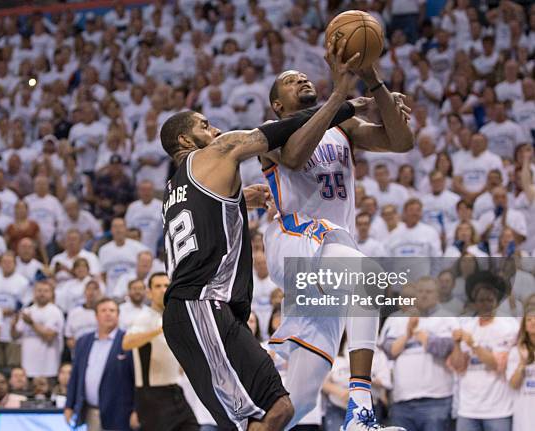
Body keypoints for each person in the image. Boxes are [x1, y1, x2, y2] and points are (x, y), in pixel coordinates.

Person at [158, 64, 363, 427]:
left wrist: (248, 197)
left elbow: (213, 211)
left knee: (276, 411)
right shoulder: (214, 153)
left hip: (200, 310)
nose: (216, 130)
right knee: (265, 416)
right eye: (205, 126)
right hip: (201, 305)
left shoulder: (175, 189)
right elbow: (274, 133)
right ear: (186, 142)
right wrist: (343, 102)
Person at [261, 43, 412, 430]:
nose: (302, 79)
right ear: (278, 106)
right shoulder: (269, 134)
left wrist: (372, 79)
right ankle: (361, 409)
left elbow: (400, 142)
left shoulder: (343, 126)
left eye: (304, 76)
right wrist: (342, 96)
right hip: (293, 240)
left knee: (299, 398)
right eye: (291, 82)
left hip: (331, 255)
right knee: (364, 276)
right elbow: (294, 156)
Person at [122, 272, 199, 430]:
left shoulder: (170, 317)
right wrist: (158, 330)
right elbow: (127, 343)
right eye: (158, 286)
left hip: (174, 391)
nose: (163, 290)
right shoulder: (144, 317)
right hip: (152, 395)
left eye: (166, 286)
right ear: (149, 293)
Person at [380, 277, 458, 430]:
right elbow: (389, 351)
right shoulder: (396, 319)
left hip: (436, 400)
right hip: (402, 400)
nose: (423, 295)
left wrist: (425, 338)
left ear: (438, 295)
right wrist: (408, 334)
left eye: (429, 292)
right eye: (420, 291)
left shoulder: (447, 318)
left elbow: (447, 347)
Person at [449, 272, 519, 431]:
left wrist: (473, 344)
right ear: (475, 303)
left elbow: (498, 365)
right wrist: (457, 344)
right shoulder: (467, 326)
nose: (485, 304)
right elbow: (458, 366)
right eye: (481, 300)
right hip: (467, 408)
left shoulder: (509, 326)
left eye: (490, 300)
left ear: (497, 302)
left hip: (498, 410)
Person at [65, 298, 135, 431]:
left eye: (112, 310)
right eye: (103, 310)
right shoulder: (83, 341)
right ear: (96, 316)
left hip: (120, 413)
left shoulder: (128, 341)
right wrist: (69, 405)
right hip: (92, 411)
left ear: (118, 315)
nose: (108, 314)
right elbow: (75, 376)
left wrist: (137, 410)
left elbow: (137, 379)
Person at [11, 280, 64, 379]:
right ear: (34, 293)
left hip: (48, 368)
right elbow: (15, 336)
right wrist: (12, 325)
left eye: (45, 291)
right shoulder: (27, 311)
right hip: (27, 368)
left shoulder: (55, 312)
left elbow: (49, 337)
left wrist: (31, 323)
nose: (42, 294)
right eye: (39, 290)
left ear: (52, 294)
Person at [506, 305, 535, 431]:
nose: (533, 322)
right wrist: (522, 364)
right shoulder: (516, 352)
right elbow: (513, 384)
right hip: (524, 419)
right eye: (529, 319)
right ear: (524, 326)